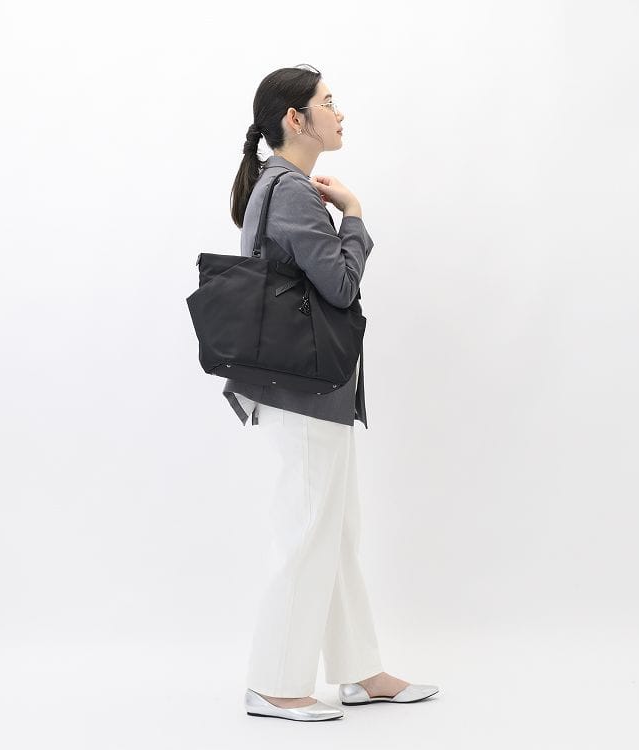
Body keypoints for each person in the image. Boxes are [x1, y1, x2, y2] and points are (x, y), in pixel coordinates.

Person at [227, 64, 439, 722]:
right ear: (295, 119)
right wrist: (355, 214)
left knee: (336, 533)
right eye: (327, 102)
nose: (339, 112)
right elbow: (342, 286)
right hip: (305, 389)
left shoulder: (278, 185)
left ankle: (358, 670)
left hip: (311, 389)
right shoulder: (291, 191)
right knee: (307, 531)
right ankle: (273, 682)